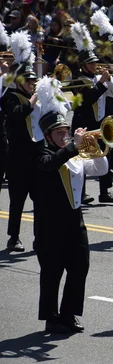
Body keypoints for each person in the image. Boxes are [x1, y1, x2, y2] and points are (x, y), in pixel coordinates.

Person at [35, 83, 109, 334]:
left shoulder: (74, 155)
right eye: (58, 133)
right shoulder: (42, 153)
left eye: (65, 131)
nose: (63, 135)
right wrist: (72, 146)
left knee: (80, 268)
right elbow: (49, 164)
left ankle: (69, 314)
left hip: (75, 222)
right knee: (52, 272)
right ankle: (51, 317)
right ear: (47, 136)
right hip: (50, 223)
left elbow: (100, 170)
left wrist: (95, 148)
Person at [70, 23, 113, 204]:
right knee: (82, 157)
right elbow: (88, 98)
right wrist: (101, 83)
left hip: (99, 122)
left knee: (102, 155)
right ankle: (81, 193)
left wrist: (109, 78)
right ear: (83, 64)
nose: (94, 66)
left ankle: (105, 192)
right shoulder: (77, 80)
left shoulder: (98, 78)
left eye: (95, 62)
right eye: (90, 63)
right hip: (83, 123)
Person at [0, 37, 39, 252]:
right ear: (18, 81)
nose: (32, 85)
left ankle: (39, 236)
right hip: (17, 157)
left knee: (40, 199)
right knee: (17, 201)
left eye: (33, 81)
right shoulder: (11, 97)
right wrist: (32, 102)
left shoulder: (34, 96)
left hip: (36, 155)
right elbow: (16, 115)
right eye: (28, 81)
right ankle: (13, 237)